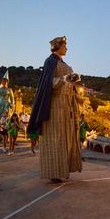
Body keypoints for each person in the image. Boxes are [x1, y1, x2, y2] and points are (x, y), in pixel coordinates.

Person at [27, 36, 82, 184]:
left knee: (66, 138)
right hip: (55, 104)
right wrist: (64, 79)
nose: (67, 48)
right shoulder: (50, 61)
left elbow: (69, 85)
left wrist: (74, 84)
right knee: (55, 138)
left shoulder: (64, 63)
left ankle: (63, 169)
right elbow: (48, 83)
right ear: (58, 46)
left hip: (67, 105)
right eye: (65, 46)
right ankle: (53, 172)